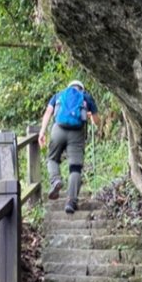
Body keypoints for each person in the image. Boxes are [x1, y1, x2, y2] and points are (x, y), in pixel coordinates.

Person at [38, 79, 99, 213]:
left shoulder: (59, 95)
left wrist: (42, 132)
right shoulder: (86, 97)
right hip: (77, 134)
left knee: (52, 158)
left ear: (69, 87)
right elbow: (96, 121)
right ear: (81, 89)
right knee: (75, 167)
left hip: (58, 130)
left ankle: (55, 180)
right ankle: (71, 201)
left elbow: (48, 113)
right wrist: (90, 116)